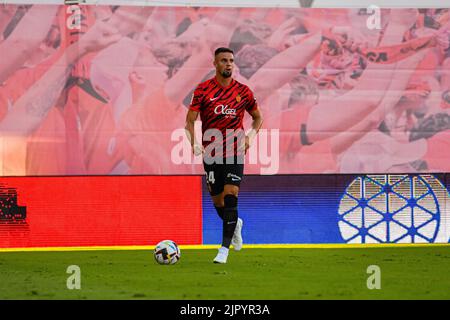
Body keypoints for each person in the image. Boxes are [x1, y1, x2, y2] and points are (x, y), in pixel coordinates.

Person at [185, 47, 263, 263]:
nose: (228, 64)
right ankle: (235, 223)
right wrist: (194, 144)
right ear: (215, 64)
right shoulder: (202, 90)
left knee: (231, 196)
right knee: (220, 204)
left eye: (231, 60)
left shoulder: (244, 91)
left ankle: (223, 250)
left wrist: (250, 136)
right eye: (223, 60)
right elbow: (190, 121)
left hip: (234, 151)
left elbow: (258, 117)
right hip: (211, 153)